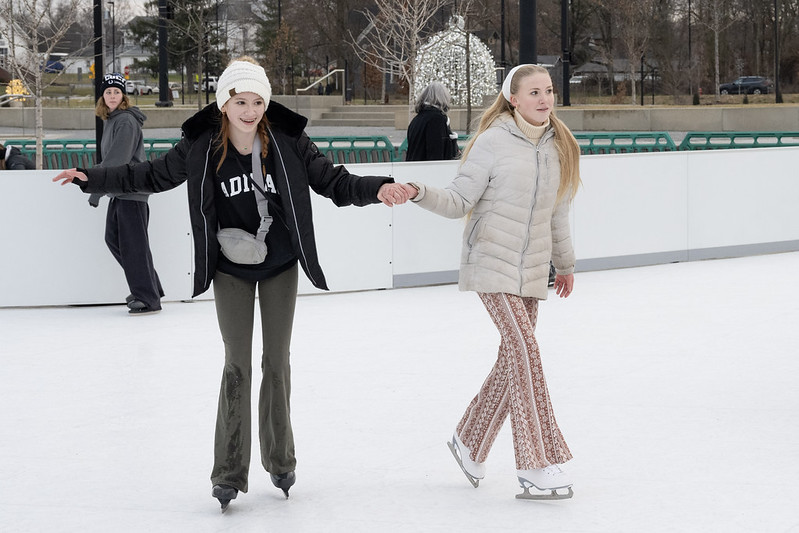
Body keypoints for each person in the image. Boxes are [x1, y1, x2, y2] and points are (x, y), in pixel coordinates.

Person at [54, 56, 411, 511]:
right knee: (235, 366)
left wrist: (377, 187)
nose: (249, 110)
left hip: (280, 264)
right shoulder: (202, 145)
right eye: (241, 101)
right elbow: (149, 175)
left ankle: (281, 461)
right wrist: (92, 177)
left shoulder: (287, 140)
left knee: (276, 363)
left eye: (258, 101)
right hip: (231, 269)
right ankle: (228, 472)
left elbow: (332, 181)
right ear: (224, 103)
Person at [400, 64, 581, 500]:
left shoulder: (558, 146)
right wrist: (420, 191)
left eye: (549, 91)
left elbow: (558, 212)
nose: (544, 98)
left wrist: (566, 263)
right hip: (491, 262)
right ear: (513, 98)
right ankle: (536, 462)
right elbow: (459, 200)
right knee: (525, 350)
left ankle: (469, 440)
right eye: (534, 92)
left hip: (534, 268)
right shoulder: (492, 142)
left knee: (511, 362)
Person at [90, 73, 164, 315]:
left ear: (124, 96)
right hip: (121, 191)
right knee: (115, 239)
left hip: (131, 190)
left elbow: (117, 159)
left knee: (133, 246)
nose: (112, 95)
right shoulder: (113, 119)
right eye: (108, 92)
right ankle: (149, 287)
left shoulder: (125, 122)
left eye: (117, 92)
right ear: (103, 95)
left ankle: (148, 297)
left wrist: (95, 187)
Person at [405, 81, 459, 161]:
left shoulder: (417, 119)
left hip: (413, 168)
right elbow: (436, 153)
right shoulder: (436, 119)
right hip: (428, 170)